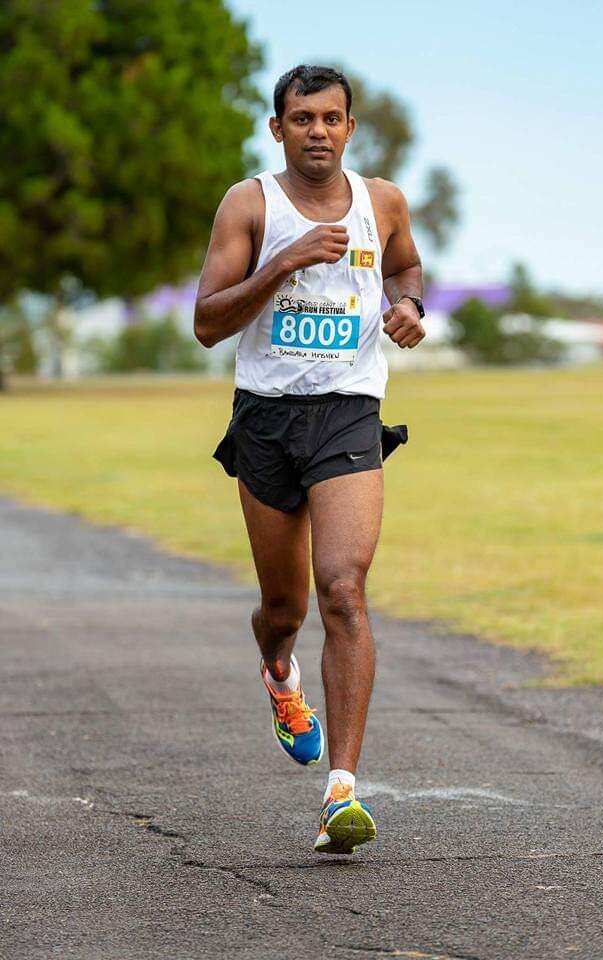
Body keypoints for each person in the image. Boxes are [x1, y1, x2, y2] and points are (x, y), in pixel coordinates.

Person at [194, 64, 425, 854]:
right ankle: (280, 677)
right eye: (302, 119)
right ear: (278, 128)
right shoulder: (250, 204)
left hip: (349, 412)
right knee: (284, 610)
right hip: (265, 418)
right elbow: (205, 322)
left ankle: (341, 793)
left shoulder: (383, 200)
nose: (318, 131)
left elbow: (405, 263)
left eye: (331, 118)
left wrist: (409, 305)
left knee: (345, 590)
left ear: (350, 128)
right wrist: (284, 263)